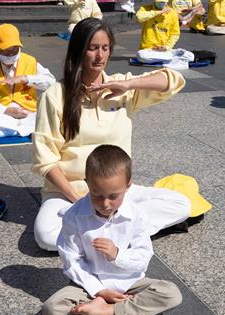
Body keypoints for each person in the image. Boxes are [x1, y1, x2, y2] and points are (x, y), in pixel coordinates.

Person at [32, 18, 190, 251]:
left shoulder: (121, 87)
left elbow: (174, 81)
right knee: (45, 236)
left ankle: (104, 232)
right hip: (71, 193)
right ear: (79, 50)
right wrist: (80, 202)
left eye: (105, 48)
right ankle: (121, 230)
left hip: (117, 193)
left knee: (181, 205)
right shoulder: (56, 96)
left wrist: (129, 85)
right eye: (93, 48)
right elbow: (45, 161)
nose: (100, 56)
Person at [42, 145, 182, 315]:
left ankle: (106, 312)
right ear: (87, 183)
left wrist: (118, 255)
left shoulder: (136, 215)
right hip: (89, 287)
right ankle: (132, 313)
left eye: (113, 196)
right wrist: (100, 291)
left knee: (170, 293)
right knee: (53, 309)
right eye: (97, 195)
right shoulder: (73, 216)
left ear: (128, 186)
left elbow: (143, 257)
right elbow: (72, 261)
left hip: (130, 283)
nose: (105, 204)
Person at [0, 24, 56, 140]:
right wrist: (6, 110)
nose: (11, 55)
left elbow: (51, 82)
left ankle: (8, 131)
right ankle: (31, 128)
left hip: (29, 111)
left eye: (15, 50)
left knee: (56, 113)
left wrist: (27, 79)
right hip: (3, 114)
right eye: (6, 52)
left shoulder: (30, 61)